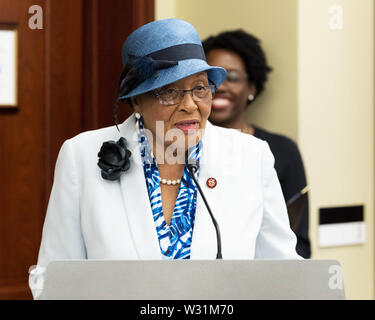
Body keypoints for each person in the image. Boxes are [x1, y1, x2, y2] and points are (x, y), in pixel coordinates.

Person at [28, 19, 301, 299]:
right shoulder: (81, 156)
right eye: (169, 91)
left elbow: (282, 272)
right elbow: (55, 279)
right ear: (135, 100)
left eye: (200, 88)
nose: (190, 105)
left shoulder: (251, 157)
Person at [203, 30, 311, 258]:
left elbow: (298, 243)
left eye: (231, 77)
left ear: (252, 87)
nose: (220, 87)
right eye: (211, 80)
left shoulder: (282, 151)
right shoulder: (179, 149)